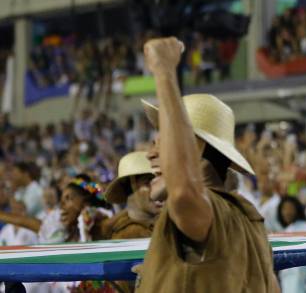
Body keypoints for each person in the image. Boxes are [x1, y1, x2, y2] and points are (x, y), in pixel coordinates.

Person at [135, 37, 279, 293]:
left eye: (163, 142)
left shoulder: (207, 209)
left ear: (195, 149)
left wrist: (165, 71)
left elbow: (183, 192)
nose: (151, 154)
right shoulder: (247, 220)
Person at [100, 151, 160, 293]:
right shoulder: (125, 236)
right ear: (133, 184)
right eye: (148, 182)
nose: (158, 189)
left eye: (159, 180)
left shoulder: (165, 224)